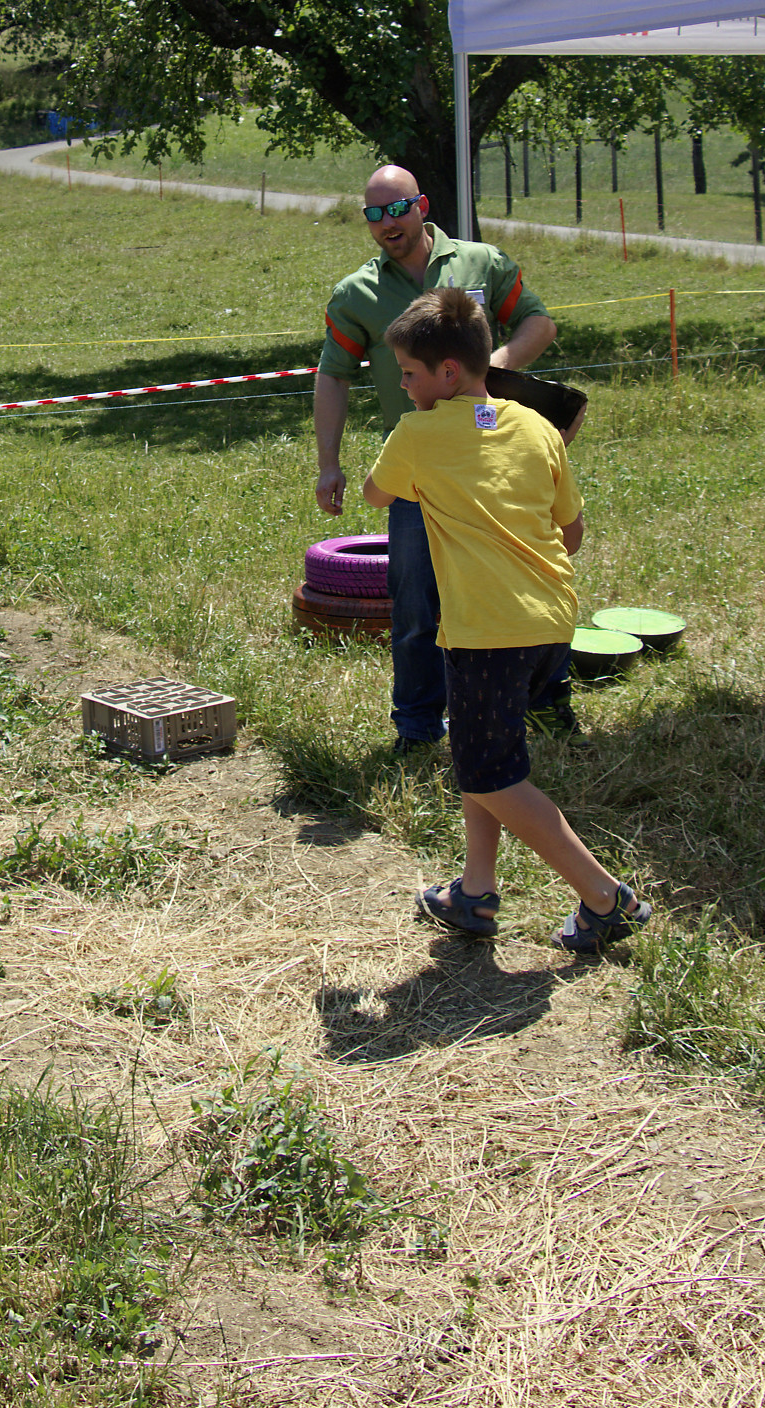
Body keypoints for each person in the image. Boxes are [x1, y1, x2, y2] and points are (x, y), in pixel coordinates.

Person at [362, 287, 650, 953]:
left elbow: (377, 494)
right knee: (480, 749)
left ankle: (606, 898)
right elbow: (571, 531)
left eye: (408, 373)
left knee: (491, 773)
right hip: (551, 622)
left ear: (448, 372)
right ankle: (476, 891)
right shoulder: (537, 428)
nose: (403, 386)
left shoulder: (415, 434)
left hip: (487, 631)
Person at [315, 163, 577, 750]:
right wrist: (329, 462)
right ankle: (417, 726)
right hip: (420, 470)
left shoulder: (482, 262)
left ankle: (542, 704)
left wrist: (492, 367)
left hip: (497, 457)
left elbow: (539, 322)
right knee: (415, 605)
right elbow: (333, 375)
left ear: (423, 206)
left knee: (523, 581)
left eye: (397, 209)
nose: (387, 223)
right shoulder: (356, 293)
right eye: (373, 214)